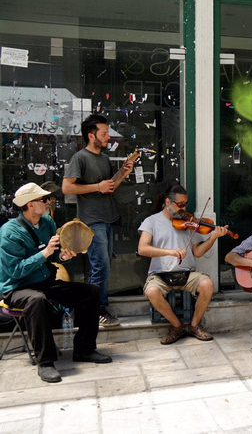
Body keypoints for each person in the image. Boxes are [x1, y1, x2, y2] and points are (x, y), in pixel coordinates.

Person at [0, 183, 112, 383]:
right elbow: (15, 271)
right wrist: (44, 253)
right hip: (18, 288)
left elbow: (55, 256)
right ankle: (45, 362)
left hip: (44, 282)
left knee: (91, 291)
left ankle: (85, 349)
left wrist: (63, 256)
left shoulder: (47, 223)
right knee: (36, 300)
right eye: (44, 200)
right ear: (30, 204)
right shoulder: (9, 232)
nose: (48, 202)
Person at [62, 114, 134, 327]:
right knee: (100, 266)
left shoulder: (104, 159)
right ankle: (96, 310)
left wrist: (123, 173)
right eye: (104, 133)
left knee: (104, 266)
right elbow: (67, 187)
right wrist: (97, 187)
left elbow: (109, 187)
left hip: (108, 218)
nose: (108, 137)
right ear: (91, 136)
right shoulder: (80, 158)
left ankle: (93, 308)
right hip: (92, 222)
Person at [137, 185, 226, 345]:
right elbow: (142, 249)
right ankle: (177, 326)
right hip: (160, 274)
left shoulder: (188, 222)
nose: (184, 208)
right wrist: (169, 252)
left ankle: (194, 325)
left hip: (186, 272)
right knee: (151, 292)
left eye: (185, 204)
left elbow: (197, 252)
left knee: (207, 285)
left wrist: (213, 238)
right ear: (167, 202)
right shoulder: (152, 221)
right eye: (180, 204)